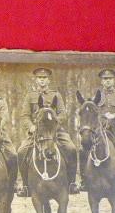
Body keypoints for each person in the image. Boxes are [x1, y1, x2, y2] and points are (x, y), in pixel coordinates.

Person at [16, 67, 79, 197]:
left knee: (71, 148)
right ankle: (26, 185)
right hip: (37, 131)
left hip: (55, 130)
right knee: (21, 151)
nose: (42, 81)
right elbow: (24, 116)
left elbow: (63, 114)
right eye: (39, 78)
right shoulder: (30, 96)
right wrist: (31, 126)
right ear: (36, 80)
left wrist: (55, 122)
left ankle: (72, 183)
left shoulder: (56, 95)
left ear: (48, 80)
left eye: (44, 78)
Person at [79, 68, 115, 194]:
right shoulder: (96, 97)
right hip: (100, 131)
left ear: (113, 80)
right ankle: (84, 181)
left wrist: (114, 116)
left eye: (109, 79)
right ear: (102, 81)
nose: (107, 81)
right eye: (105, 79)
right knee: (83, 150)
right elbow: (89, 111)